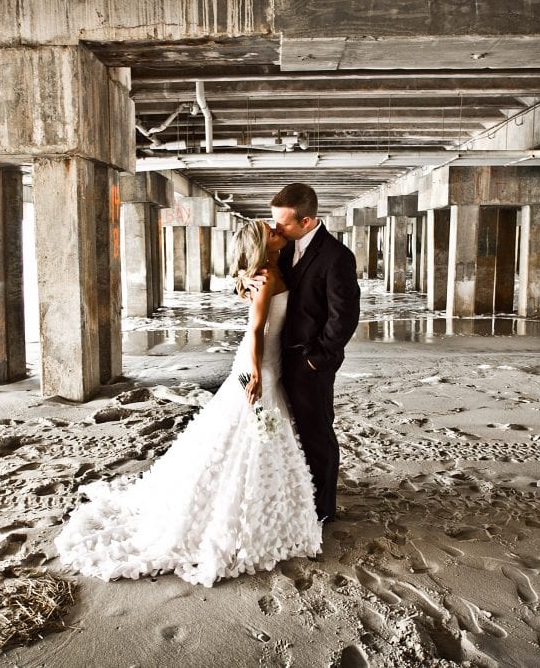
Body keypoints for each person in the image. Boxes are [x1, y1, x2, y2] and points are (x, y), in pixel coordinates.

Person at [54, 220, 321, 587]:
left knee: (259, 430)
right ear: (264, 243)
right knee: (254, 426)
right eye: (271, 230)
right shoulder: (266, 276)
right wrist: (257, 373)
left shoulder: (273, 266)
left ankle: (265, 502)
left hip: (268, 358)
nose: (278, 230)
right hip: (259, 362)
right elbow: (255, 329)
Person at [270, 183, 360, 522]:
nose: (276, 229)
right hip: (279, 357)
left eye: (283, 224)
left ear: (307, 220)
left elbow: (345, 315)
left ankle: (323, 509)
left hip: (310, 362)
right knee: (289, 431)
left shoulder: (337, 257)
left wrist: (318, 358)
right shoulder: (282, 248)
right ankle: (299, 494)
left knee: (316, 431)